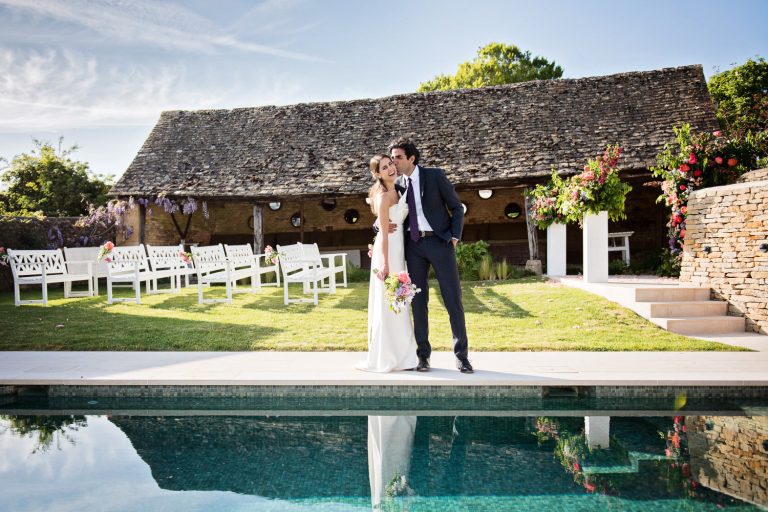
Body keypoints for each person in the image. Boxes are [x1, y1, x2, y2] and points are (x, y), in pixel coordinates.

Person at [389, 138, 474, 373]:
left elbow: (457, 207)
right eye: (392, 158)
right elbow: (387, 214)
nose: (394, 162)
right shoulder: (397, 184)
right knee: (418, 301)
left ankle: (461, 356)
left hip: (439, 242)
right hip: (413, 245)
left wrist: (454, 236)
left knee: (452, 299)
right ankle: (423, 356)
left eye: (398, 157)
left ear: (411, 158)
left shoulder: (435, 176)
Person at [356, 154, 419, 373]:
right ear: (377, 174)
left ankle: (404, 356)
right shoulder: (382, 197)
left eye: (390, 163)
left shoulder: (398, 190)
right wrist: (384, 264)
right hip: (388, 251)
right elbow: (383, 232)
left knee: (401, 300)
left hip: (399, 248)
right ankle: (386, 356)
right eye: (384, 167)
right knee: (389, 300)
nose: (391, 168)